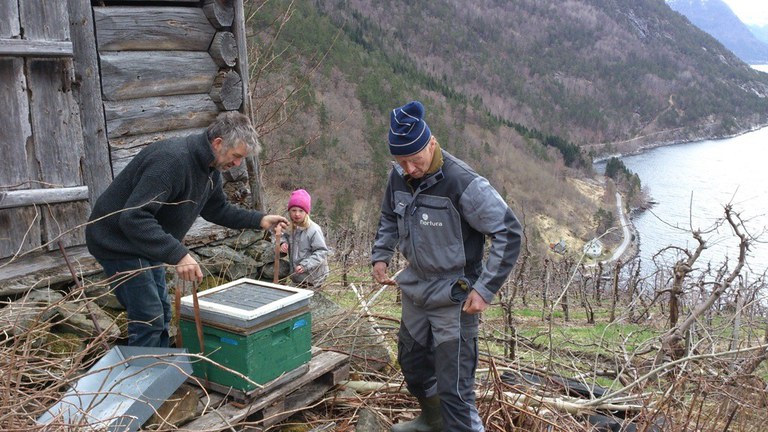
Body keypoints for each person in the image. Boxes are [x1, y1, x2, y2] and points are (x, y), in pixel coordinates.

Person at [371, 101, 523, 432]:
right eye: (401, 160)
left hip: (455, 298)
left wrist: (485, 289)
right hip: (415, 290)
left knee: (455, 390)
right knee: (412, 367)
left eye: (416, 159)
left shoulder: (462, 182)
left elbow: (508, 232)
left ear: (432, 143)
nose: (409, 168)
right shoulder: (398, 177)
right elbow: (388, 216)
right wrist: (381, 254)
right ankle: (432, 421)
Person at [85, 111, 288, 348]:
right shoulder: (172, 161)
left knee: (161, 311)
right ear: (218, 143)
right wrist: (179, 254)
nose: (236, 164)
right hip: (117, 242)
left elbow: (217, 209)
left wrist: (260, 219)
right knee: (148, 317)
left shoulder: (210, 169)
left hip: (144, 243)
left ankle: (157, 369)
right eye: (235, 156)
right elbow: (134, 217)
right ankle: (142, 380)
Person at [279, 189, 330, 288]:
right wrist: (283, 243)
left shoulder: (314, 230)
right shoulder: (290, 227)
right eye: (294, 210)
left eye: (301, 211)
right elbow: (283, 236)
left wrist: (305, 265)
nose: (297, 214)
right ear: (289, 211)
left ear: (306, 212)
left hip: (314, 277)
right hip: (298, 276)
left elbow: (321, 252)